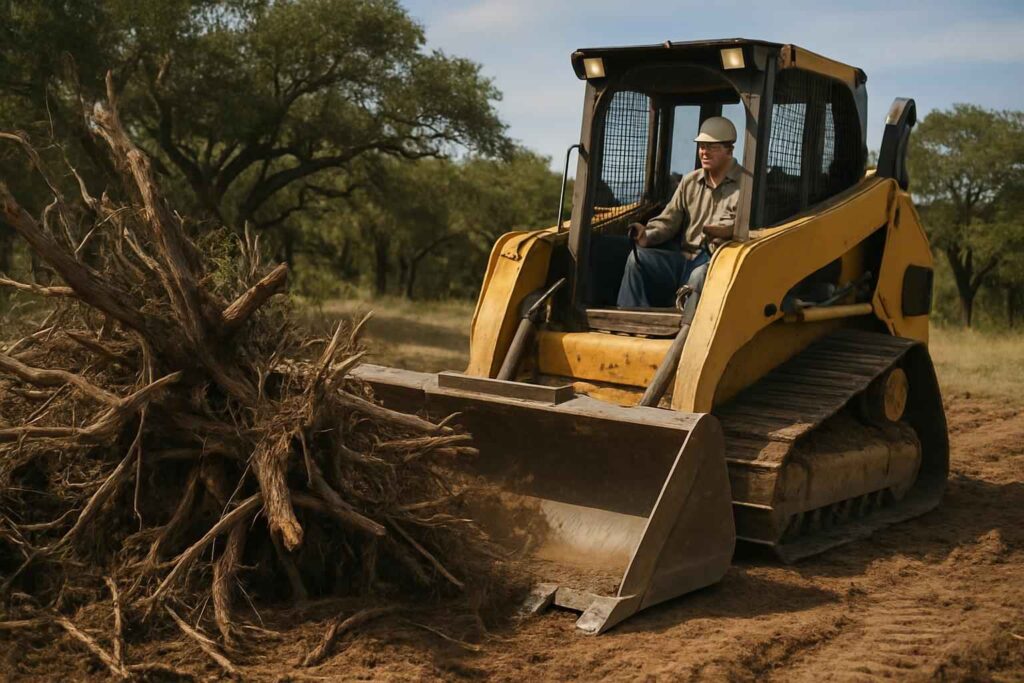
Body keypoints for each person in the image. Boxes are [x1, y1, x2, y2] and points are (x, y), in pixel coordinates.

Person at [616, 116, 749, 314]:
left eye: (712, 147)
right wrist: (646, 234)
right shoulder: (689, 182)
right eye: (702, 146)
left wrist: (723, 232)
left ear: (729, 149)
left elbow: (743, 230)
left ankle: (687, 330)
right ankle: (630, 318)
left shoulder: (746, 186)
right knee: (637, 260)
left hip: (716, 262)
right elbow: (668, 221)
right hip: (683, 259)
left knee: (699, 274)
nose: (704, 152)